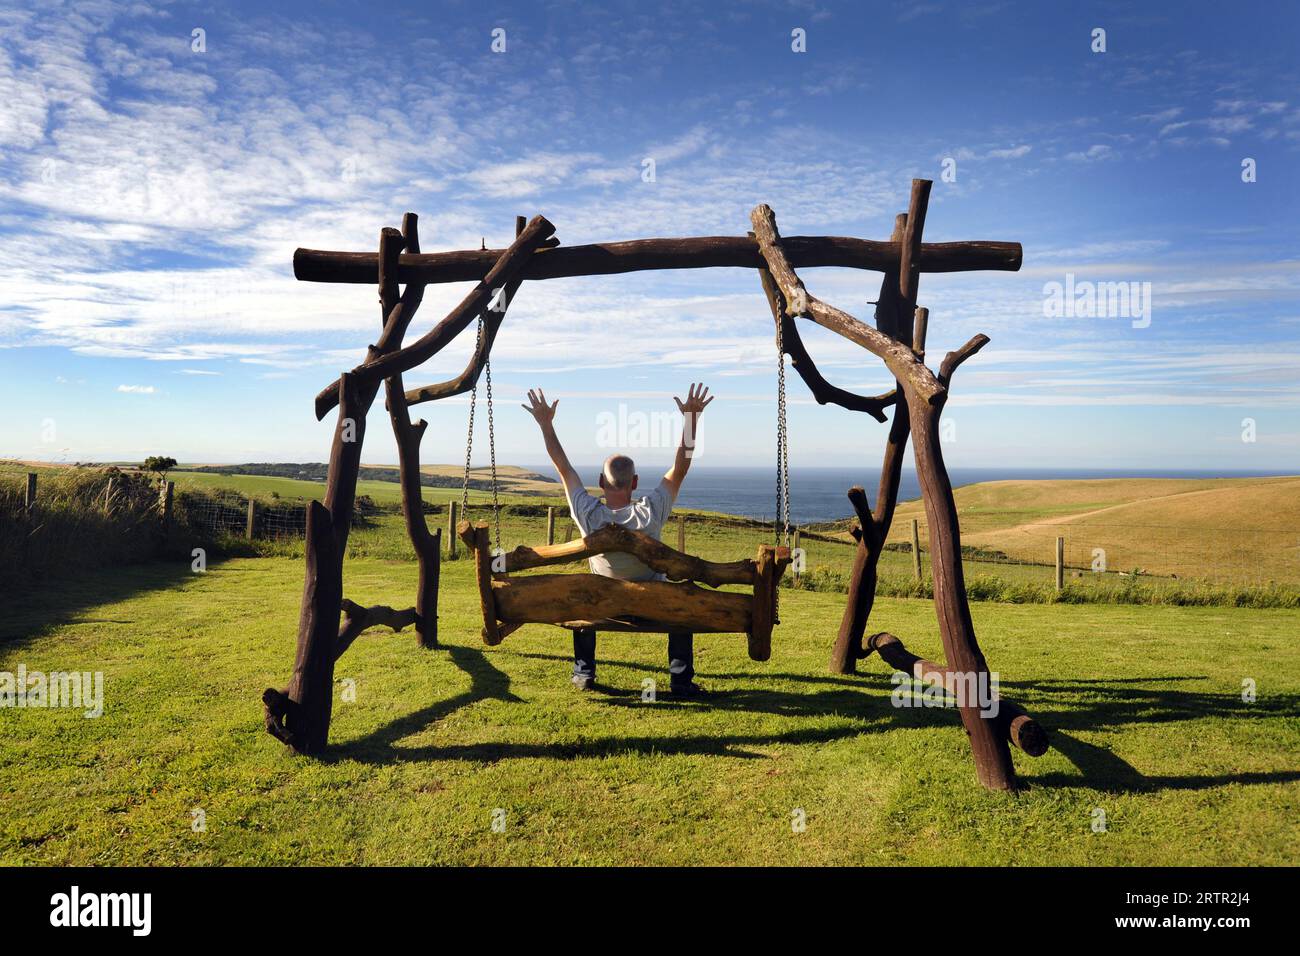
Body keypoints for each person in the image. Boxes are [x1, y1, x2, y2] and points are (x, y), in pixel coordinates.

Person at [521, 383, 714, 697]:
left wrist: (545, 423)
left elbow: (562, 466)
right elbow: (681, 466)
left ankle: (584, 674)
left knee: (582, 597)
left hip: (603, 604)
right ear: (635, 483)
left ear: (600, 481)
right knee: (681, 607)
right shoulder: (651, 512)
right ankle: (680, 680)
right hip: (652, 604)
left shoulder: (588, 514)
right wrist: (692, 418)